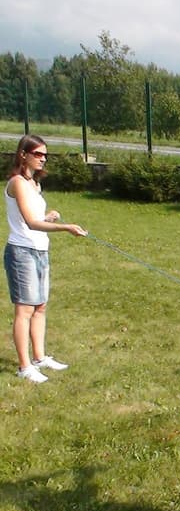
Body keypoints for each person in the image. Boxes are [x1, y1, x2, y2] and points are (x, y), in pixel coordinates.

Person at [4, 135, 87, 383]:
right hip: (22, 252)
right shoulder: (17, 182)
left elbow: (34, 219)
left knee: (40, 307)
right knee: (25, 310)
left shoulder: (34, 185)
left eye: (45, 155)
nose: (43, 159)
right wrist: (65, 227)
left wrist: (49, 217)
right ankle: (24, 366)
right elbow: (29, 223)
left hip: (40, 250)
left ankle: (39, 358)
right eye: (38, 154)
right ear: (23, 155)